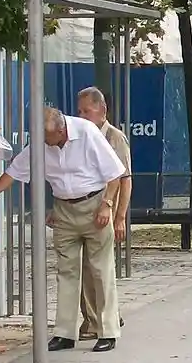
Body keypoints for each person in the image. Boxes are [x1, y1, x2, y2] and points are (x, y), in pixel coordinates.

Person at [0, 107, 126, 352]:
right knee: (66, 272)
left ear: (62, 131)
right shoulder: (42, 141)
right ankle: (65, 333)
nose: (44, 144)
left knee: (101, 270)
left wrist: (107, 205)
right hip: (64, 210)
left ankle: (108, 331)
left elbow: (115, 174)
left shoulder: (87, 132)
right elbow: (15, 171)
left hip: (94, 205)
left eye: (48, 139)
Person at [75, 87, 131, 342]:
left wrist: (120, 217)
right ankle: (97, 318)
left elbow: (125, 179)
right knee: (87, 268)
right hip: (86, 210)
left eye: (87, 111)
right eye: (79, 111)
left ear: (102, 110)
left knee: (99, 268)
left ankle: (101, 320)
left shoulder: (114, 138)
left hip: (106, 210)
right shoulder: (82, 136)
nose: (82, 116)